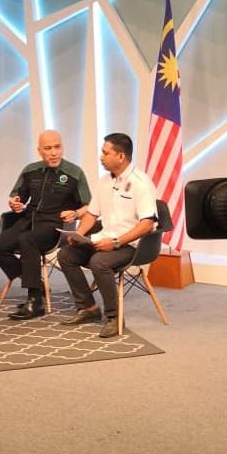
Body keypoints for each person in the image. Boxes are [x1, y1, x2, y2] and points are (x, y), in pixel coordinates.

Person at [58, 133, 157, 338]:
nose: (101, 157)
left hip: (131, 245)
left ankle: (114, 317)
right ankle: (88, 307)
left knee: (99, 262)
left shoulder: (141, 182)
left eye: (105, 153)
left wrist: (116, 242)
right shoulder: (103, 181)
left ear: (121, 156)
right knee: (66, 255)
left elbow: (147, 224)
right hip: (103, 239)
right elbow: (92, 214)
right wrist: (79, 233)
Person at [0, 129, 91, 320]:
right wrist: (14, 203)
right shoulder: (30, 170)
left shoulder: (74, 173)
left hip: (54, 225)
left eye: (57, 147)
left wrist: (76, 213)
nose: (54, 153)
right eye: (48, 148)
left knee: (27, 240)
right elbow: (17, 197)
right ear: (39, 151)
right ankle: (37, 283)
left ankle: (35, 301)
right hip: (28, 220)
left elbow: (89, 206)